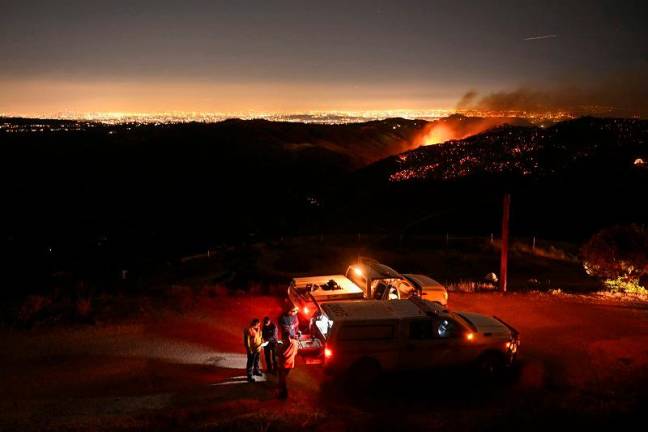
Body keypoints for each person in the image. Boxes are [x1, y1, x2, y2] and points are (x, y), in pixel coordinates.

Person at [277, 332, 299, 399]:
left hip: (284, 365)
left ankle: (283, 395)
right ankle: (281, 389)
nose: (283, 341)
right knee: (284, 377)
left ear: (286, 338)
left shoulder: (288, 345)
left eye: (284, 339)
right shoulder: (295, 342)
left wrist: (279, 347)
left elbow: (283, 354)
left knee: (283, 379)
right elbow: (296, 352)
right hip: (291, 363)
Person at [244, 318, 263, 382]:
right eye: (258, 324)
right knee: (250, 362)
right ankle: (249, 376)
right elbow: (247, 341)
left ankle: (256, 371)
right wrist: (249, 350)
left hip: (258, 349)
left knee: (256, 361)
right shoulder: (249, 330)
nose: (259, 326)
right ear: (255, 324)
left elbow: (260, 337)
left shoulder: (259, 329)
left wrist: (262, 342)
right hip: (252, 350)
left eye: (259, 324)